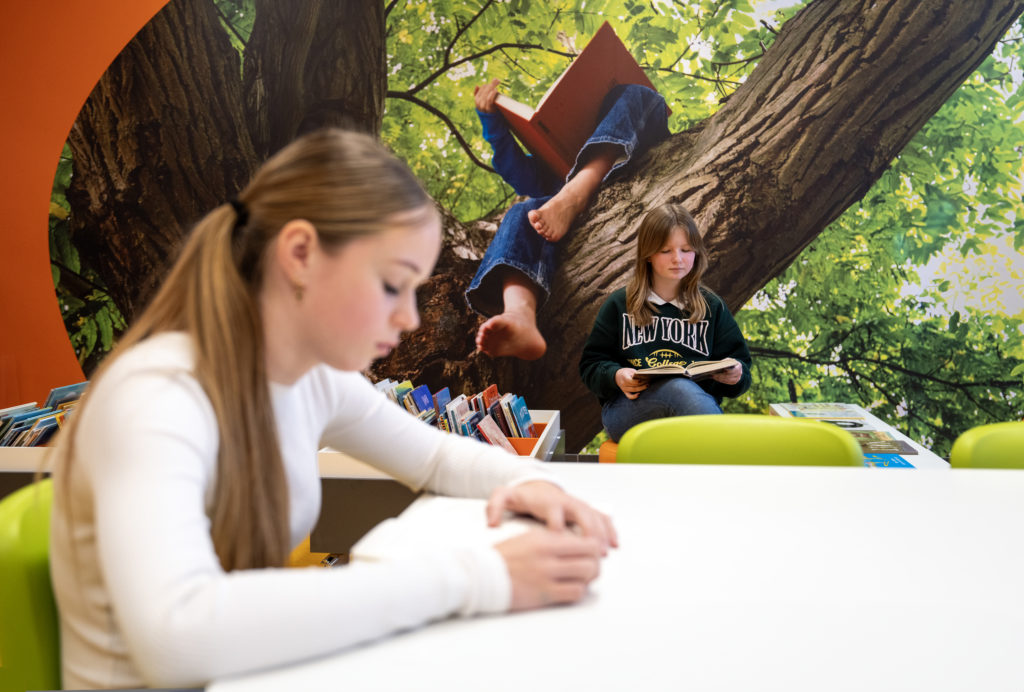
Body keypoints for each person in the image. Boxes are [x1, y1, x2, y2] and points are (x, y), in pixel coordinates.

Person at [49, 129, 617, 690]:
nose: (409, 319)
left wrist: (527, 479)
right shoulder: (158, 397)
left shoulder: (311, 377)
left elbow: (438, 458)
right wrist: (479, 578)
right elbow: (176, 637)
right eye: (393, 285)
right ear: (300, 255)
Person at [465, 78, 670, 360]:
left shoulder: (629, 108)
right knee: (522, 213)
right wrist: (492, 121)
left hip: (631, 158)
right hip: (566, 199)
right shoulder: (551, 173)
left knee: (636, 93)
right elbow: (520, 174)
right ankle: (519, 313)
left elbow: (643, 105)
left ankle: (578, 191)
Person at [579, 203, 752, 442]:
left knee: (684, 392)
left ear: (696, 252)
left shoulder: (712, 307)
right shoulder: (620, 304)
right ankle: (726, 454)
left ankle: (718, 452)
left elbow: (741, 369)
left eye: (686, 249)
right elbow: (591, 364)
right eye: (665, 250)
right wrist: (616, 375)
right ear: (648, 254)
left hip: (694, 412)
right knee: (677, 389)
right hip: (628, 413)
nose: (677, 259)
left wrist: (735, 376)